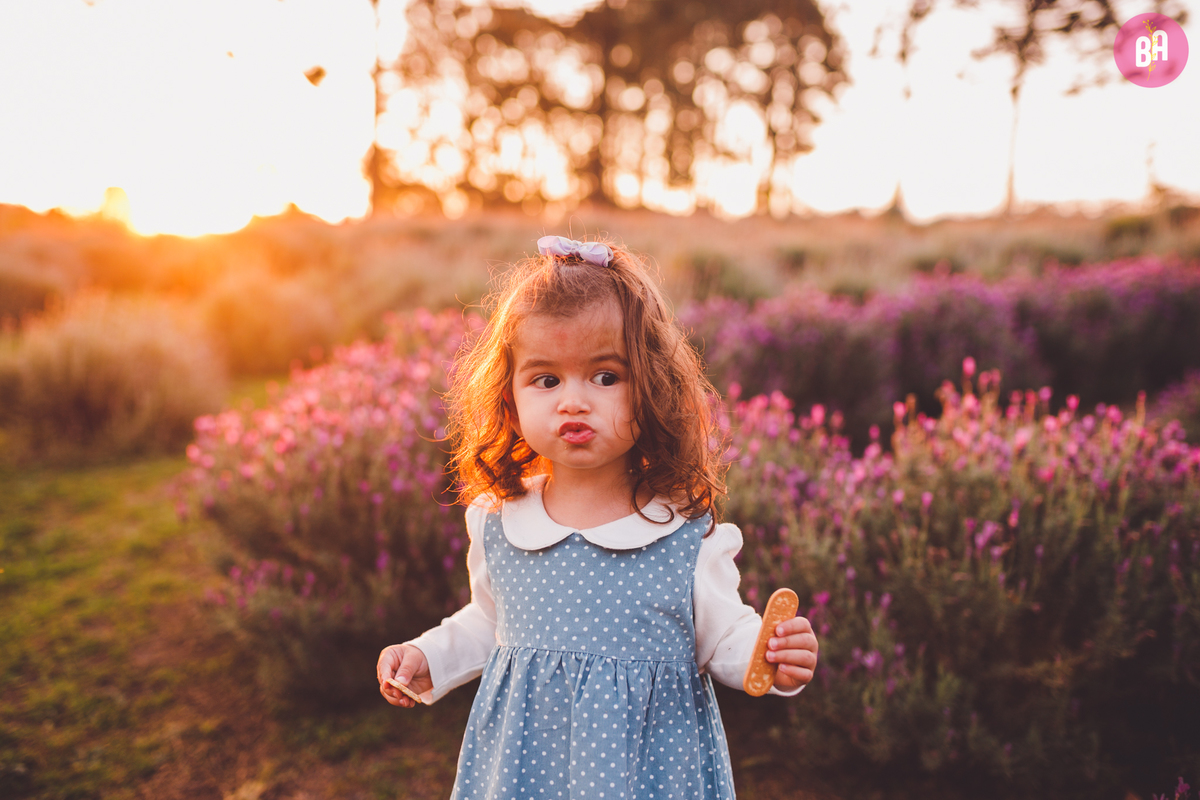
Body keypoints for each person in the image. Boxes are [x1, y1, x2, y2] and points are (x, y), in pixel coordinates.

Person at [377, 236, 818, 800]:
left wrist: (767, 654)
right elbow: (490, 623)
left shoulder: (681, 534)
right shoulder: (501, 521)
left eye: (606, 377)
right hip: (524, 773)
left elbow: (723, 632)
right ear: (510, 400)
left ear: (653, 388)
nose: (573, 401)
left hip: (647, 775)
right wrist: (427, 657)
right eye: (546, 379)